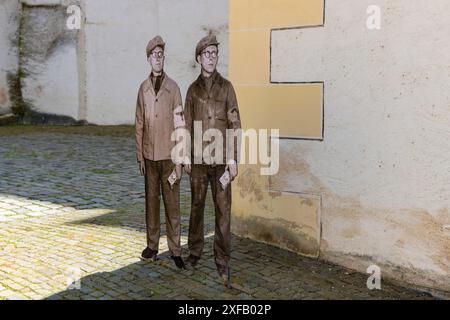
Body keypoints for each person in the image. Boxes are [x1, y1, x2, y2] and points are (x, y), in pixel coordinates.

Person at [183, 35, 241, 287]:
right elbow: (184, 125)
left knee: (223, 212)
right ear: (199, 58)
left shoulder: (227, 87)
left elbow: (234, 123)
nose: (211, 58)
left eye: (214, 53)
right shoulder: (192, 90)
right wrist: (184, 154)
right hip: (197, 160)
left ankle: (222, 260)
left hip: (220, 161)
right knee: (196, 208)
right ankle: (194, 253)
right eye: (206, 54)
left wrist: (233, 158)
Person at [135, 35, 186, 270]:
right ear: (148, 59)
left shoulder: (173, 88)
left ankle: (175, 249)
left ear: (164, 58)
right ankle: (152, 246)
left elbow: (180, 125)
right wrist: (140, 156)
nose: (158, 59)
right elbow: (139, 124)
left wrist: (180, 159)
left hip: (168, 157)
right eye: (154, 55)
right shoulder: (143, 89)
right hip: (150, 156)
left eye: (161, 55)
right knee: (151, 205)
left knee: (172, 205)